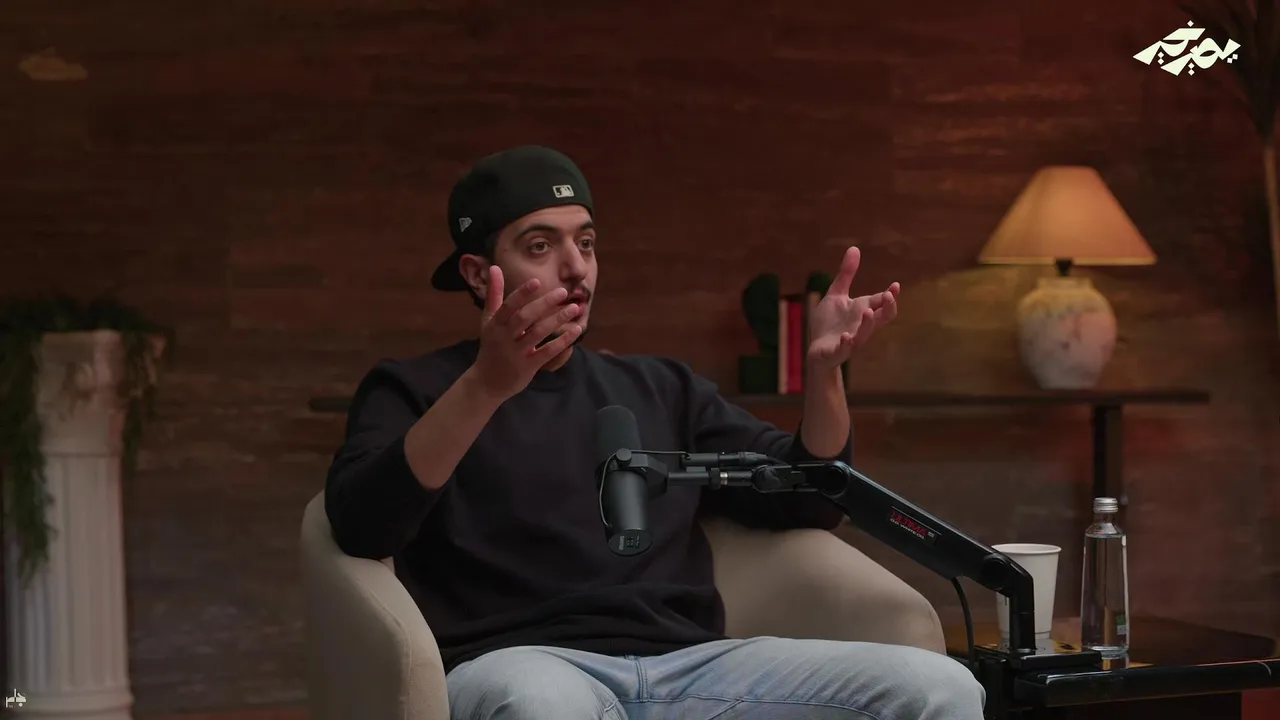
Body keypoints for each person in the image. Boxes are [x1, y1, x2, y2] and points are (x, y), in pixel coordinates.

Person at [325, 145, 986, 719]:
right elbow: (361, 527)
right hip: (525, 665)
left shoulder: (657, 386)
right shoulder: (414, 389)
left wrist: (825, 374)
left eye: (586, 243)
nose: (575, 268)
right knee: (540, 706)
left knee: (940, 687)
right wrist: (488, 386)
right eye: (540, 246)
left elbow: (808, 498)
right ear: (477, 274)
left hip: (692, 667)